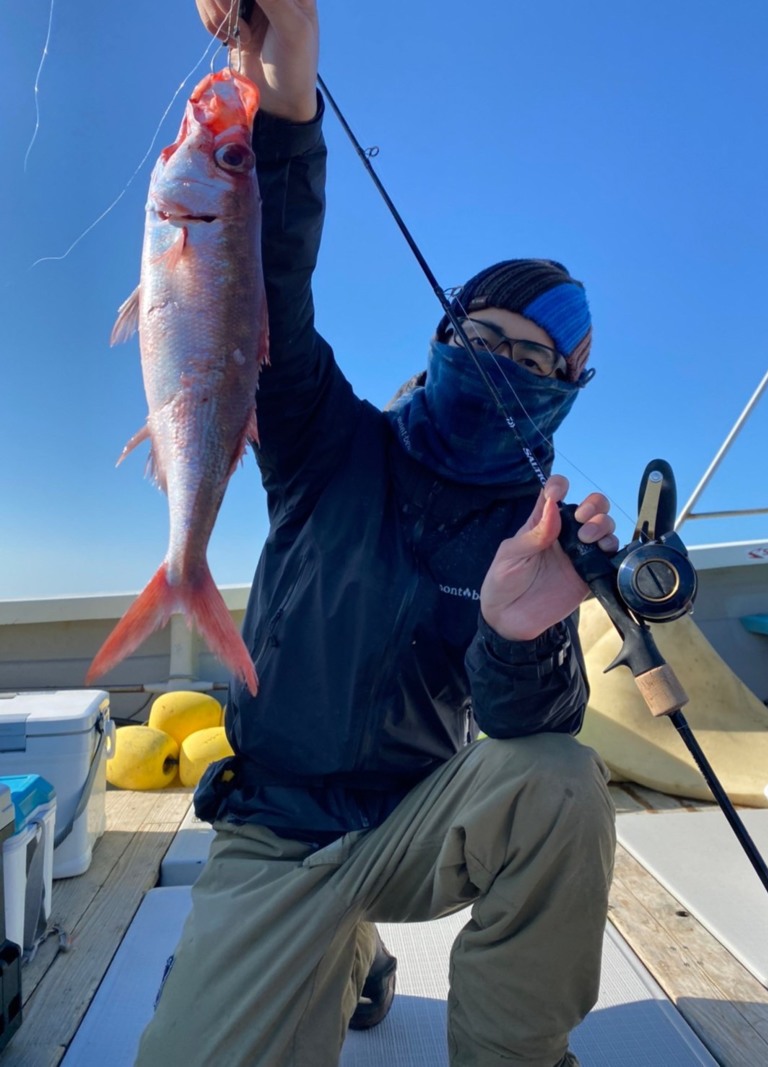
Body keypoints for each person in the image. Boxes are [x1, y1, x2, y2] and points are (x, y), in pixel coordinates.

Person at [136, 3, 618, 1066]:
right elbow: (263, 289)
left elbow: (522, 723)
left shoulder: (524, 537)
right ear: (440, 339)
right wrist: (281, 75)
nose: (501, 365)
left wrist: (516, 634)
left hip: (409, 827)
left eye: (534, 360)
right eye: (482, 338)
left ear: (568, 390)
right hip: (275, 830)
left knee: (560, 780)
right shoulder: (322, 437)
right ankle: (337, 954)